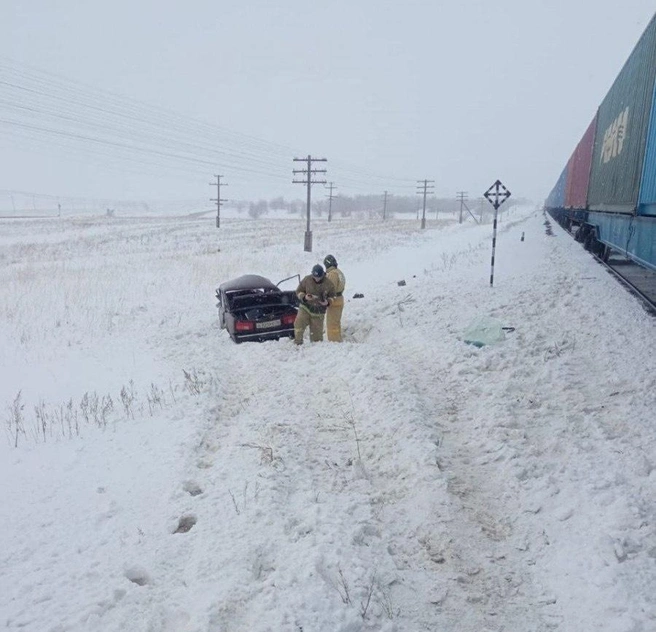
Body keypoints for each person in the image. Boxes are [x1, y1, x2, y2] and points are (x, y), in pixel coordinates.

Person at [294, 264, 336, 345]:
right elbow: (298, 291)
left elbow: (333, 296)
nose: (316, 279)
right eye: (315, 277)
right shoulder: (307, 279)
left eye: (318, 277)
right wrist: (304, 297)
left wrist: (327, 302)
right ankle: (298, 343)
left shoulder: (329, 284)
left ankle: (315, 349)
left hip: (319, 312)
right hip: (305, 307)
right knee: (299, 323)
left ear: (322, 275)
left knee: (317, 336)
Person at [323, 254, 346, 342]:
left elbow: (330, 288)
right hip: (340, 298)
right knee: (336, 322)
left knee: (332, 324)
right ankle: (338, 339)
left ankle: (334, 341)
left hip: (334, 300)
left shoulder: (332, 274)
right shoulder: (339, 272)